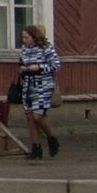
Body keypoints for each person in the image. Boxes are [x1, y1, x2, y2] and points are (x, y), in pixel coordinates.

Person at [17, 23, 60, 160]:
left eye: (27, 38)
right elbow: (22, 63)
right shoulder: (24, 49)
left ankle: (51, 138)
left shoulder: (46, 48)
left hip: (43, 85)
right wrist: (23, 69)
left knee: (38, 115)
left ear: (34, 37)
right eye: (23, 38)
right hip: (28, 85)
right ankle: (35, 147)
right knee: (30, 117)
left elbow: (56, 65)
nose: (24, 40)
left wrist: (39, 67)